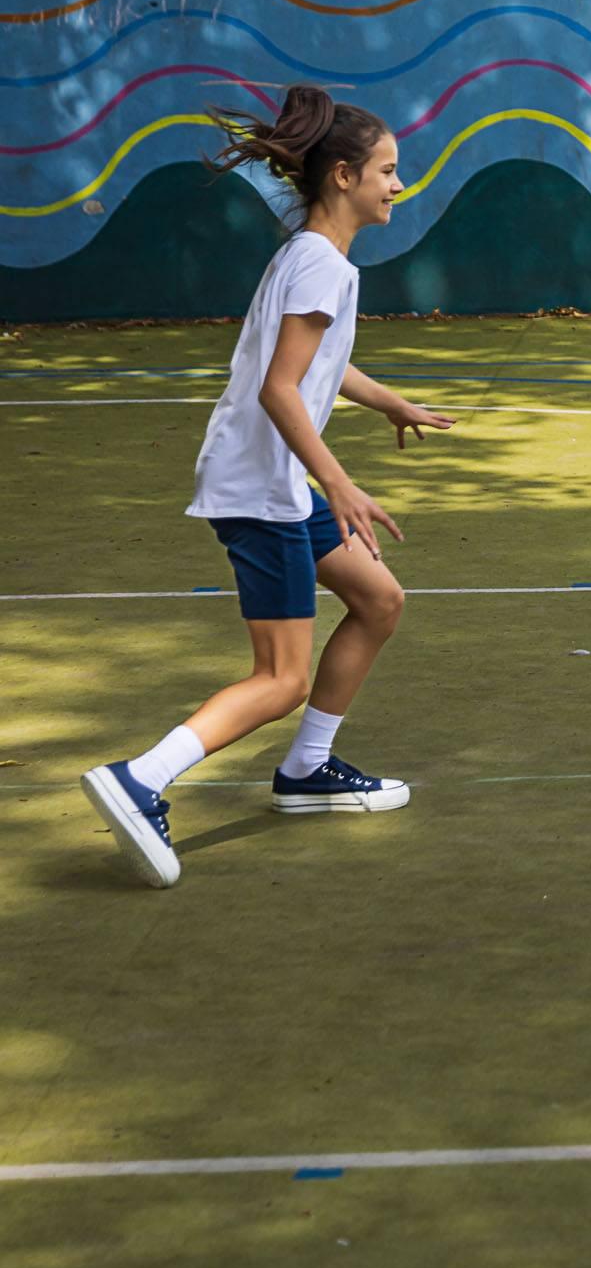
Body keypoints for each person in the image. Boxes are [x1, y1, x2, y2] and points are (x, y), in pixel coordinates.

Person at [79, 86, 454, 888]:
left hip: (271, 483)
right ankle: (140, 779)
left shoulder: (310, 255)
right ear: (344, 176)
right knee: (280, 678)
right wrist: (340, 484)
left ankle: (307, 771)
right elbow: (280, 389)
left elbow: (317, 366)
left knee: (380, 600)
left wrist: (389, 400)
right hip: (264, 490)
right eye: (389, 171)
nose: (398, 185)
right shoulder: (320, 263)